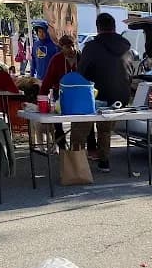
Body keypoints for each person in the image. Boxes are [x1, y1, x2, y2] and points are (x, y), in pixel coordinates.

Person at [73, 13, 131, 173]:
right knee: (105, 129)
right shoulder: (126, 45)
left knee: (79, 128)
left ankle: (76, 164)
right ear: (114, 27)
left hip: (97, 97)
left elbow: (81, 74)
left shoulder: (91, 47)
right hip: (121, 98)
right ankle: (104, 161)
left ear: (98, 28)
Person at [40, 35, 80, 150]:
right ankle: (61, 146)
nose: (71, 49)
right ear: (62, 48)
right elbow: (48, 80)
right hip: (61, 94)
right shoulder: (56, 60)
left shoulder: (81, 57)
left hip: (79, 94)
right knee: (57, 121)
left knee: (84, 120)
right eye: (68, 47)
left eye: (73, 46)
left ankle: (85, 147)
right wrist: (42, 97)